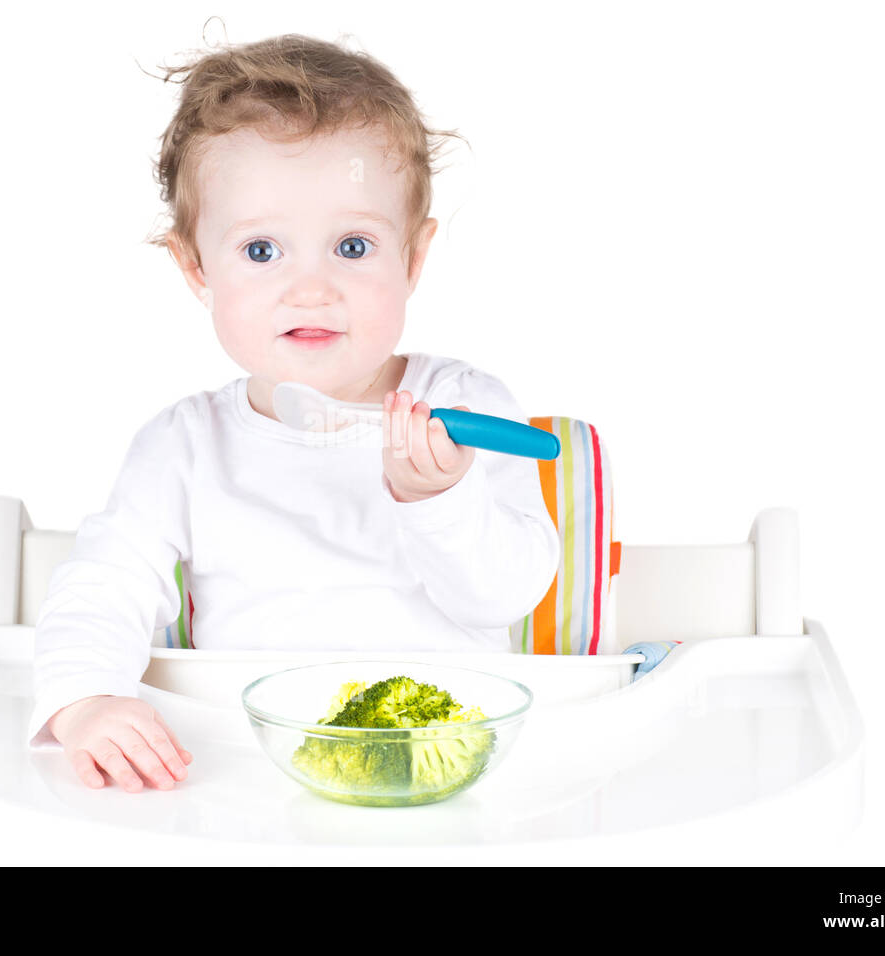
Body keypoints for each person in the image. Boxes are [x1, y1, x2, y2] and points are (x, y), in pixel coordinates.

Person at [28, 33, 560, 793]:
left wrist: (437, 498)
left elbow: (508, 595)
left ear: (412, 258)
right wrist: (85, 701)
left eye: (351, 245)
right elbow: (101, 586)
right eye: (261, 252)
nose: (311, 289)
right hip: (244, 773)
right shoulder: (184, 448)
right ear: (195, 268)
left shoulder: (465, 410)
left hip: (454, 771)